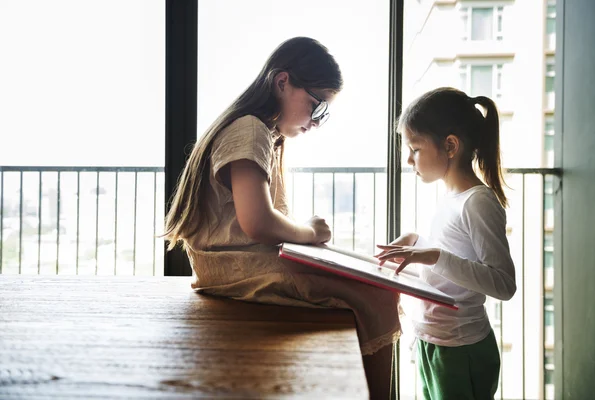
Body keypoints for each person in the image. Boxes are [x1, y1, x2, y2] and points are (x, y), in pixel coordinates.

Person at [164, 37, 402, 399]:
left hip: (235, 264)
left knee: (371, 281)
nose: (317, 122)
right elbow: (257, 222)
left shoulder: (260, 132)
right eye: (315, 106)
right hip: (237, 270)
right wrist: (308, 233)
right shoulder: (250, 129)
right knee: (381, 292)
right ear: (282, 82)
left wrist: (307, 237)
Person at [376, 87, 517, 400]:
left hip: (460, 349)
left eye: (415, 148)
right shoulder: (451, 198)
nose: (408, 159)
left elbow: (504, 284)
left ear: (450, 145)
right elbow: (454, 257)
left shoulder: (478, 202)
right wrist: (416, 242)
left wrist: (433, 255)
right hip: (434, 341)